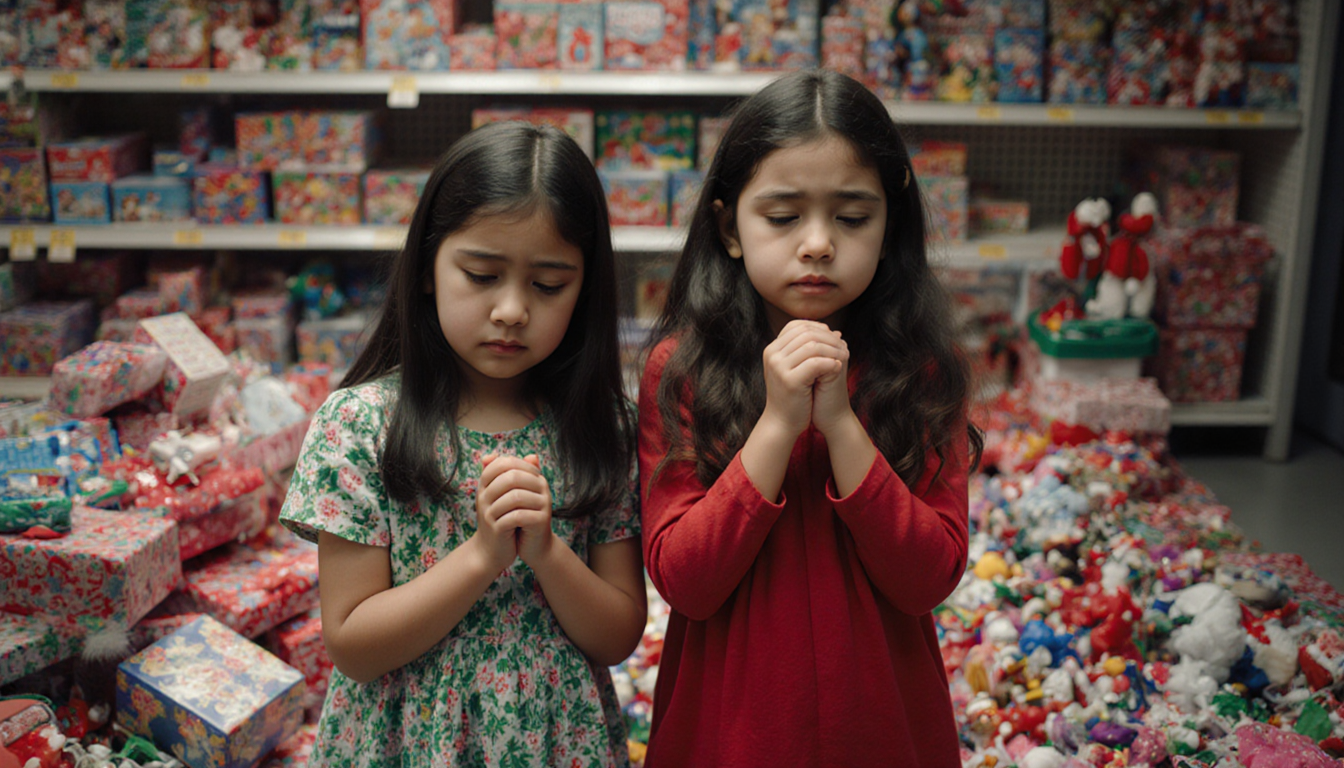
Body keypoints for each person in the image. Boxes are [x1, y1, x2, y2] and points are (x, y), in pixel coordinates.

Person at [638, 69, 984, 767]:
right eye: (783, 215)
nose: (818, 243)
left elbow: (928, 578)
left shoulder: (920, 369)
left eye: (853, 217)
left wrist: (842, 426)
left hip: (880, 723)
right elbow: (685, 581)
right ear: (728, 227)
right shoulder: (683, 370)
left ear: (890, 228)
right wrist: (775, 426)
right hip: (732, 727)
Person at [280, 121, 647, 768]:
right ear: (426, 269)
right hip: (405, 738)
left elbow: (617, 634)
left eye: (548, 285)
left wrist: (547, 551)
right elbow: (353, 643)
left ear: (585, 290)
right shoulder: (359, 425)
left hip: (553, 741)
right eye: (481, 275)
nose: (511, 310)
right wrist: (480, 557)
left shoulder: (601, 427)